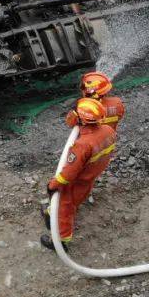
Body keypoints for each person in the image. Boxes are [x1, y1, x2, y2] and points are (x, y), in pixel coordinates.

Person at [41, 98, 118, 251]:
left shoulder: (82, 145)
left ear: (82, 119)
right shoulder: (108, 131)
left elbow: (68, 174)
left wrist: (52, 185)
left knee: (65, 207)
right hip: (89, 179)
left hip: (75, 182)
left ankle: (61, 241)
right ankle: (51, 212)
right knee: (73, 202)